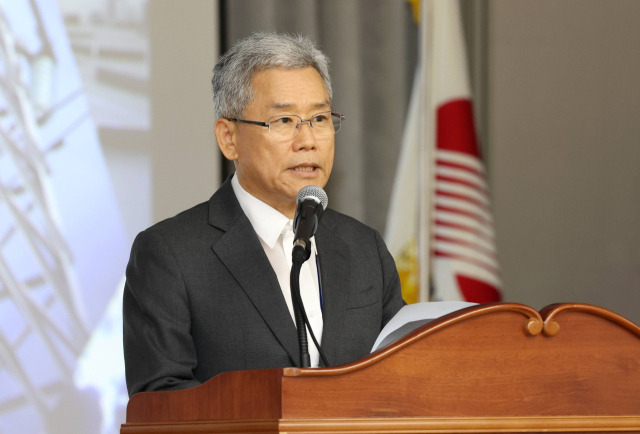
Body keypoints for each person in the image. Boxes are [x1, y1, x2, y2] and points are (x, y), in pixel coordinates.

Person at [123, 32, 404, 397]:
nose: (308, 140)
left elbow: (403, 375)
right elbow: (159, 401)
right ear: (229, 139)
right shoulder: (170, 255)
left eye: (319, 118)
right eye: (284, 121)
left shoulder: (365, 248)